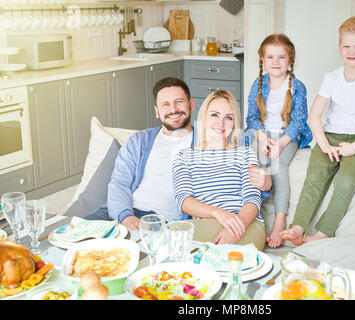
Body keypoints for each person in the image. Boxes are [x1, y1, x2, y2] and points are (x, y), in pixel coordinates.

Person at [86, 77, 271, 230]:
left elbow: (243, 146)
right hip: (123, 212)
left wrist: (268, 182)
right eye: (165, 104)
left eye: (179, 102)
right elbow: (119, 184)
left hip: (163, 221)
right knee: (75, 237)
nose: (173, 109)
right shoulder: (139, 141)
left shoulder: (211, 134)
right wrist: (126, 218)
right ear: (157, 112)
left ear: (191, 104)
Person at [280, 16, 355, 246]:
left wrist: (354, 148)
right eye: (347, 46)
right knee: (314, 179)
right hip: (330, 137)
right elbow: (314, 116)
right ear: (339, 48)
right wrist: (325, 144)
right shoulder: (331, 78)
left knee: (346, 182)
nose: (352, 51)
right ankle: (298, 226)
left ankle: (324, 232)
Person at [172, 89, 266, 251]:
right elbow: (184, 201)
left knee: (173, 237)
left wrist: (234, 228)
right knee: (171, 234)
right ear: (204, 116)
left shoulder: (245, 153)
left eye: (228, 118)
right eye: (214, 115)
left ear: (234, 123)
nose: (221, 124)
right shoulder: (184, 156)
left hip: (248, 225)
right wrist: (218, 213)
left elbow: (253, 199)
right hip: (206, 223)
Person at [245, 34, 312, 248]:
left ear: (290, 60)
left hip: (287, 136)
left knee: (279, 165)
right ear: (263, 60)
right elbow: (252, 118)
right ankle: (251, 215)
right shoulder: (258, 84)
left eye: (281, 57)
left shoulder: (297, 87)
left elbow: (299, 122)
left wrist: (280, 143)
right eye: (270, 57)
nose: (275, 62)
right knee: (257, 164)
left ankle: (280, 218)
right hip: (261, 134)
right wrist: (263, 137)